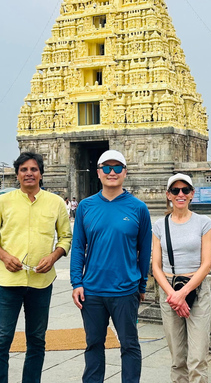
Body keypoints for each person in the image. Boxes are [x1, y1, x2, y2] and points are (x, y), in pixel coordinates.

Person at [0, 151, 72, 383]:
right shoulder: (3, 202)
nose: (29, 174)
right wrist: (4, 256)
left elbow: (65, 238)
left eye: (34, 169)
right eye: (24, 170)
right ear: (17, 175)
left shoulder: (55, 203)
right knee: (1, 339)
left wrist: (53, 257)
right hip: (9, 282)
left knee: (36, 340)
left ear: (41, 174)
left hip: (41, 283)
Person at [70, 149, 152, 383]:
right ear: (98, 173)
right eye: (106, 168)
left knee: (129, 345)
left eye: (117, 168)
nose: (112, 172)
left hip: (125, 290)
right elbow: (78, 247)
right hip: (92, 291)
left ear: (125, 172)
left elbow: (144, 251)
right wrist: (77, 281)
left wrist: (142, 285)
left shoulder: (138, 208)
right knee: (94, 344)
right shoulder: (86, 207)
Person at [151, 173, 211, 383]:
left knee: (197, 358)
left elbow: (206, 264)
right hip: (169, 290)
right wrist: (173, 295)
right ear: (168, 195)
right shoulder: (160, 225)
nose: (180, 194)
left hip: (197, 289)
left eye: (185, 190)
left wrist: (183, 294)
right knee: (178, 358)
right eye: (175, 190)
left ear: (192, 194)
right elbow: (156, 266)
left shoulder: (204, 222)